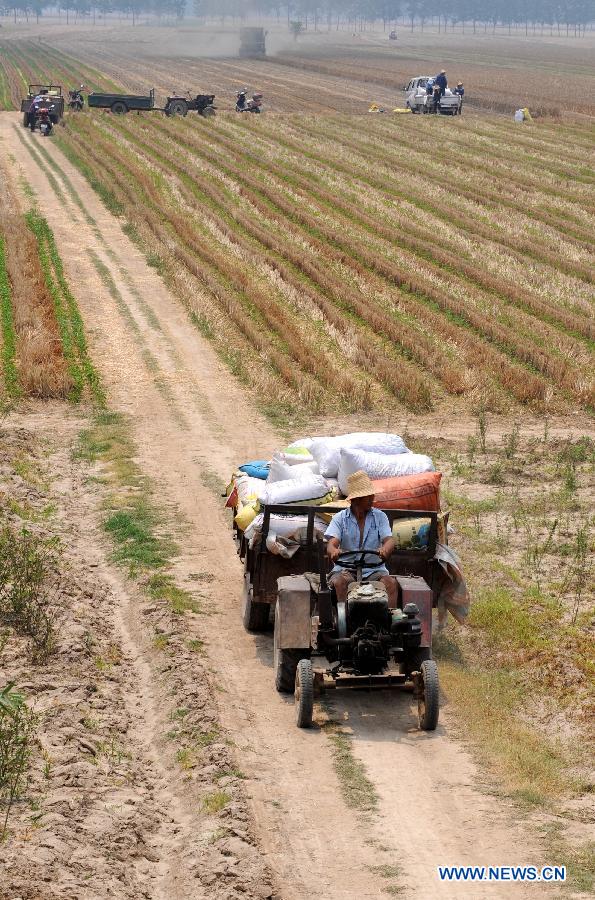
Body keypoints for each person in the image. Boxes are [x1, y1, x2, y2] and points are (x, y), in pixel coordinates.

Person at [325, 470, 397, 608]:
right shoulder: (340, 518)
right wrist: (333, 551)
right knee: (339, 582)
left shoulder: (380, 517)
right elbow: (331, 544)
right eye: (367, 496)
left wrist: (385, 549)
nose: (372, 498)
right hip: (345, 570)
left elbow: (390, 540)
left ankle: (390, 624)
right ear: (356, 499)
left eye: (372, 494)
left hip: (373, 570)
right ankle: (344, 621)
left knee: (391, 584)